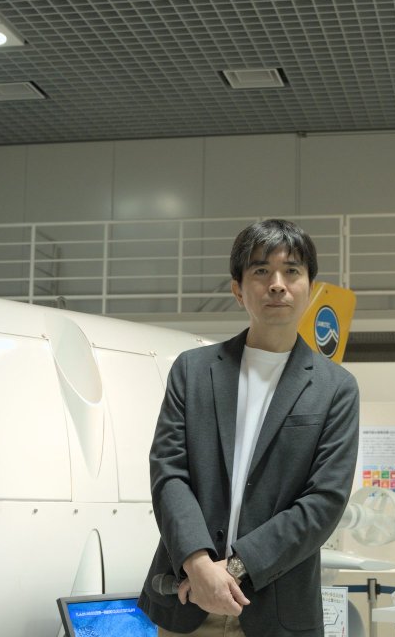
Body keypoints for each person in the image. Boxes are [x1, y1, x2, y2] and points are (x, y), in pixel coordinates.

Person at [138, 219, 360, 637]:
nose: (277, 284)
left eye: (291, 271)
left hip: (276, 613)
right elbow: (169, 473)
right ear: (238, 290)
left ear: (309, 288)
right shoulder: (192, 371)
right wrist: (199, 565)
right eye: (261, 271)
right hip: (189, 602)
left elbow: (323, 502)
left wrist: (233, 569)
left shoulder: (336, 388)